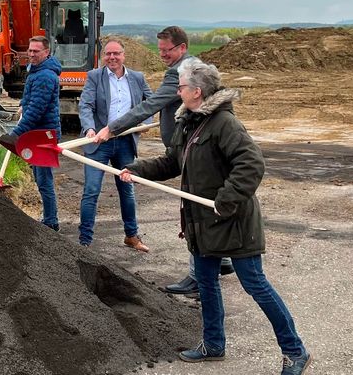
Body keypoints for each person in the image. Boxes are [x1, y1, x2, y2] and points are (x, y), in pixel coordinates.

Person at [119, 58, 311, 375]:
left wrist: (225, 201)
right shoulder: (189, 123)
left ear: (196, 91)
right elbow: (172, 162)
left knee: (256, 285)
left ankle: (295, 351)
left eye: (180, 86)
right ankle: (213, 345)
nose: (176, 91)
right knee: (206, 283)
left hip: (232, 221)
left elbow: (251, 165)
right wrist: (136, 171)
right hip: (202, 222)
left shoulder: (224, 124)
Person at [93, 26, 233, 292]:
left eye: (166, 50)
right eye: (159, 51)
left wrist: (112, 128)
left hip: (192, 149)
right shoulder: (197, 67)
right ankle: (221, 259)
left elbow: (151, 104)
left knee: (194, 210)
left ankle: (198, 275)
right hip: (197, 147)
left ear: (181, 48)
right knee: (202, 206)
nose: (162, 56)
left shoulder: (183, 73)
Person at [78, 39, 153, 250]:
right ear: (103, 56)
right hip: (99, 142)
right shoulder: (94, 76)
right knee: (91, 190)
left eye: (116, 53)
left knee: (127, 189)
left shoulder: (137, 78)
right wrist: (90, 129)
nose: (112, 57)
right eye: (108, 54)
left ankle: (132, 236)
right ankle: (84, 241)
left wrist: (145, 123)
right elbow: (85, 105)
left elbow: (152, 101)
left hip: (125, 142)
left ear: (124, 55)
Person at [12, 36, 62, 231]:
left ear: (46, 52)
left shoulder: (45, 76)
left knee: (44, 179)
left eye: (36, 51)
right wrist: (22, 105)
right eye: (30, 50)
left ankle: (51, 221)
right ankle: (50, 218)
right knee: (40, 176)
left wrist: (16, 133)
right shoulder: (36, 71)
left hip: (43, 134)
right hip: (37, 132)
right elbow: (31, 101)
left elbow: (36, 110)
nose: (31, 54)